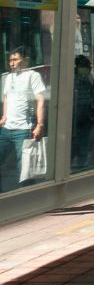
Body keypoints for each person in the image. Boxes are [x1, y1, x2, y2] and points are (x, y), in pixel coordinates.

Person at [0, 47, 48, 191]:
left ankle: (27, 198)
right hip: (6, 128)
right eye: (10, 60)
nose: (12, 63)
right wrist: (3, 117)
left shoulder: (33, 76)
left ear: (25, 60)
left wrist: (40, 124)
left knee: (25, 168)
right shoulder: (8, 77)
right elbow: (7, 99)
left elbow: (41, 100)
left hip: (23, 129)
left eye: (15, 60)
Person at [72, 55, 94, 168]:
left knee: (84, 138)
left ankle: (81, 161)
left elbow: (92, 94)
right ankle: (73, 159)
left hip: (86, 112)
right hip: (75, 112)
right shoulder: (72, 78)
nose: (86, 69)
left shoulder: (89, 77)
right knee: (75, 138)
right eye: (83, 66)